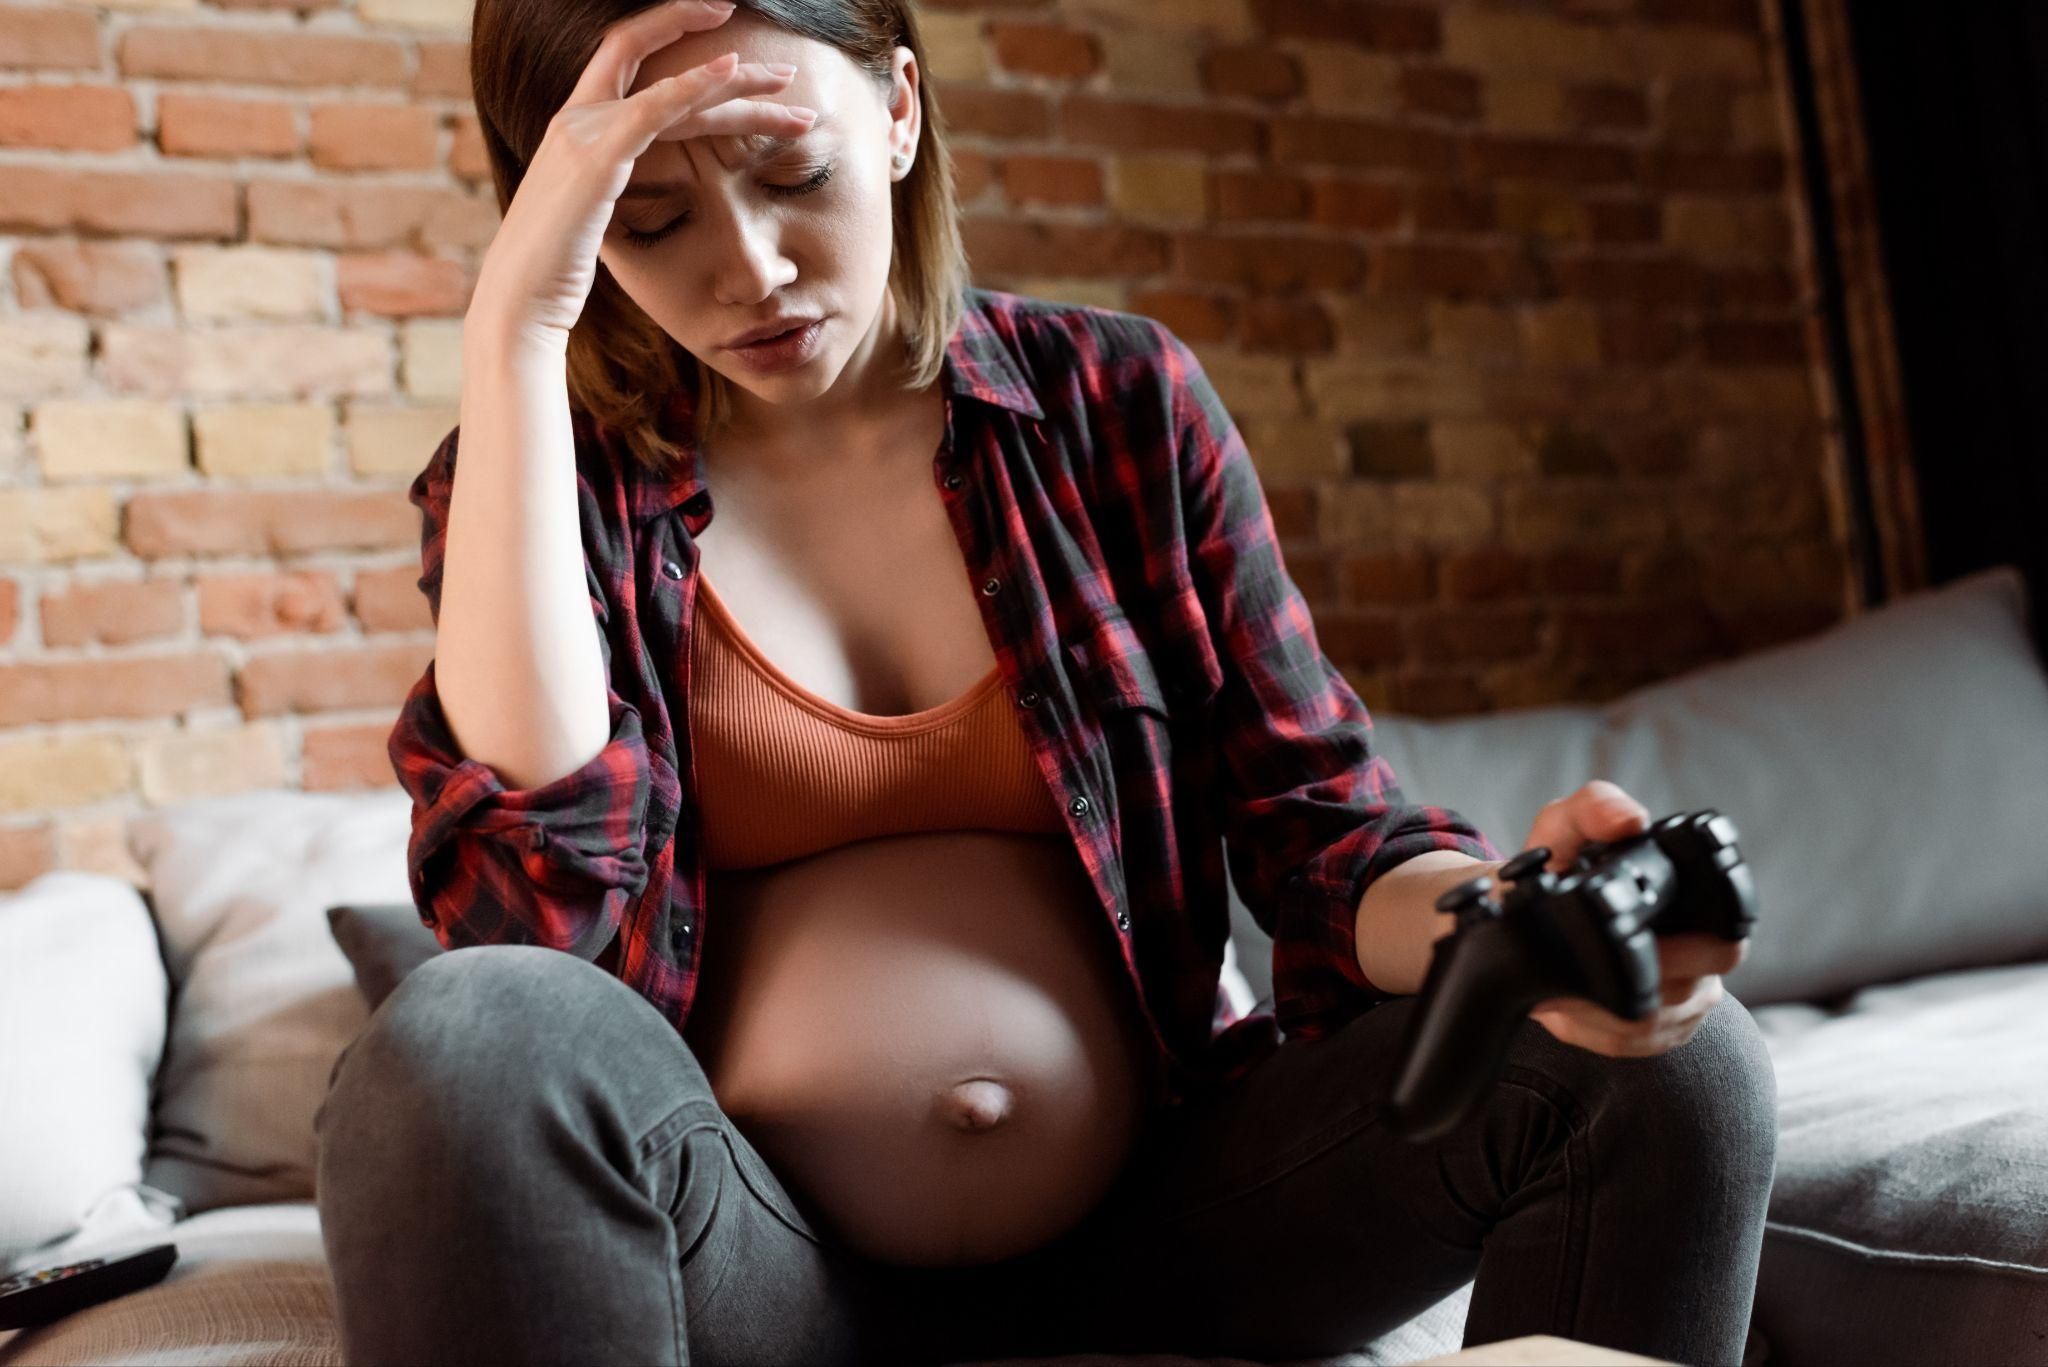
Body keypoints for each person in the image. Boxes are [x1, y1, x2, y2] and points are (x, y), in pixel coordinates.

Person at [312, 1, 1778, 1364]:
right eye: (649, 219)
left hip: (1177, 1225)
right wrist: (512, 341)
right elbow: (531, 913)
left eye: (793, 174)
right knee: (464, 1032)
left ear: (896, 112)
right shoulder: (540, 487)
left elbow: (1327, 839)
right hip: (756, 1263)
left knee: (1674, 1061)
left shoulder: (1116, 402)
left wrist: (1515, 929)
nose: (747, 267)